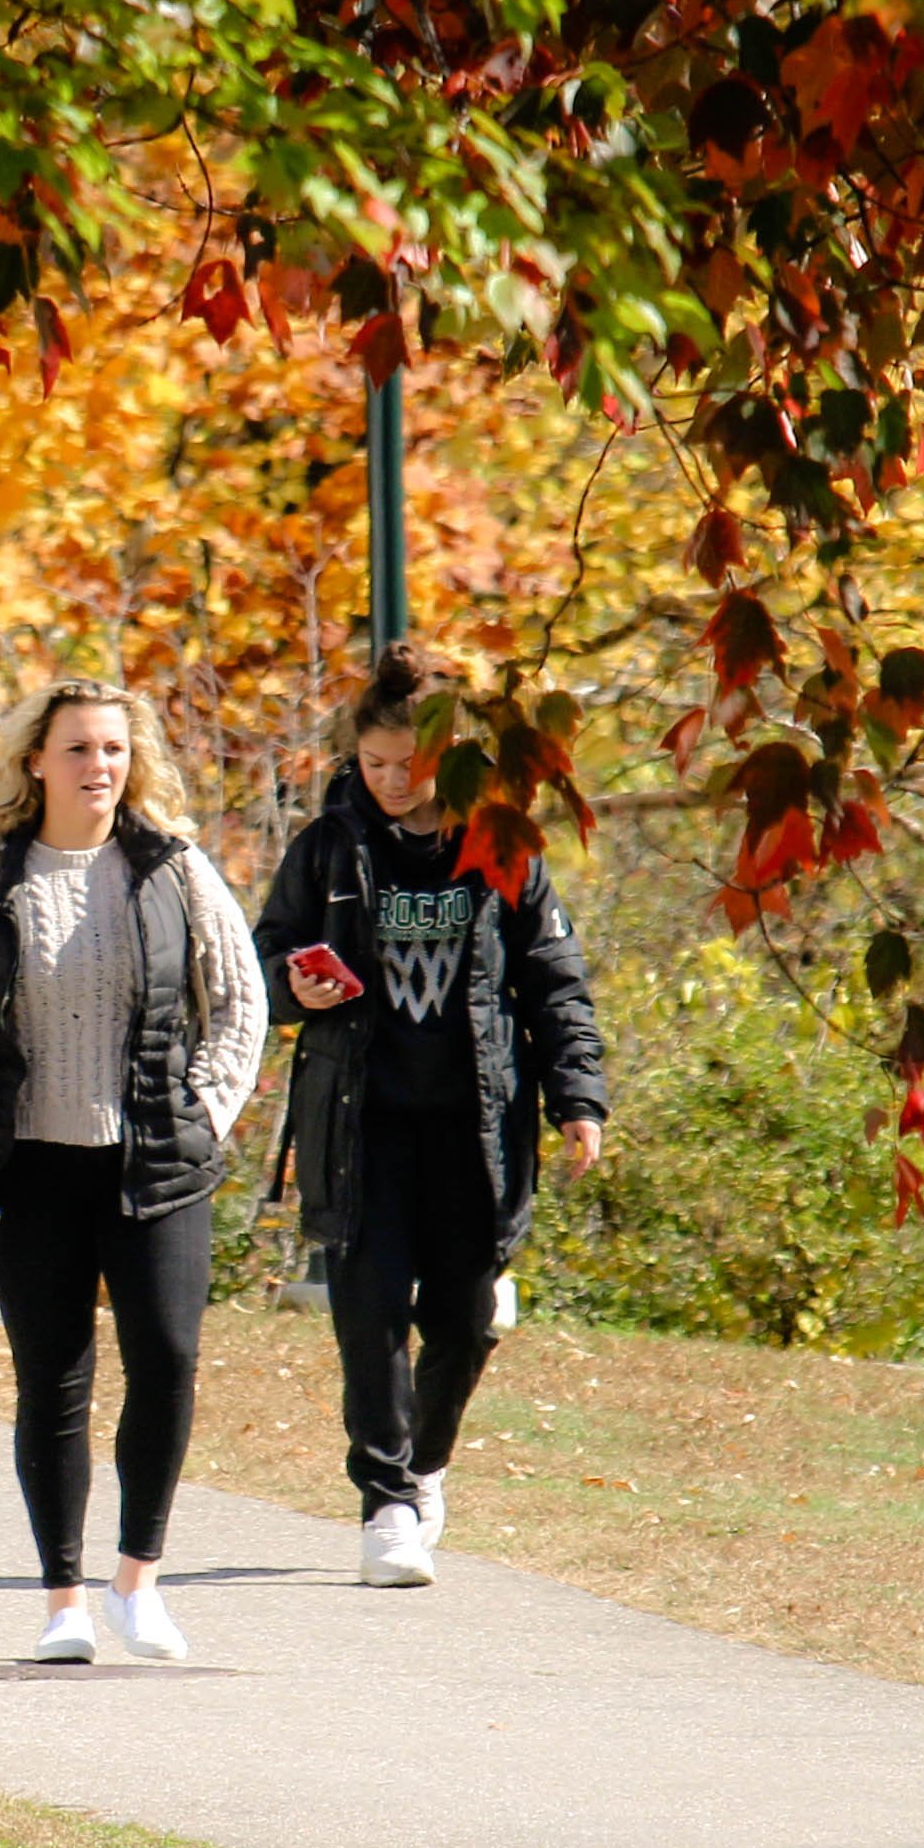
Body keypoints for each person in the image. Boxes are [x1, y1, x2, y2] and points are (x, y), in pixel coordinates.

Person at [0, 679, 266, 1665]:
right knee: (52, 1379)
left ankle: (136, 1581)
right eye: (77, 749)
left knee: (169, 1359)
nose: (97, 766)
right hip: (28, 1170)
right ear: (36, 761)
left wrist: (202, 1110)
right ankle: (63, 1600)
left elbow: (240, 1002)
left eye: (112, 749)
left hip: (154, 1158)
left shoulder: (173, 869)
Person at [256, 644, 612, 1590]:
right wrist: (295, 987)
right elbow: (261, 967)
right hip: (361, 1124)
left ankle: (424, 1470)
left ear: (446, 758)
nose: (388, 783)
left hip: (475, 1128)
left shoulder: (501, 849)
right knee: (368, 1317)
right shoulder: (328, 847)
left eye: (406, 765)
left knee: (464, 1320)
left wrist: (579, 1098)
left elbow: (555, 984)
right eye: (370, 765)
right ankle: (385, 1506)